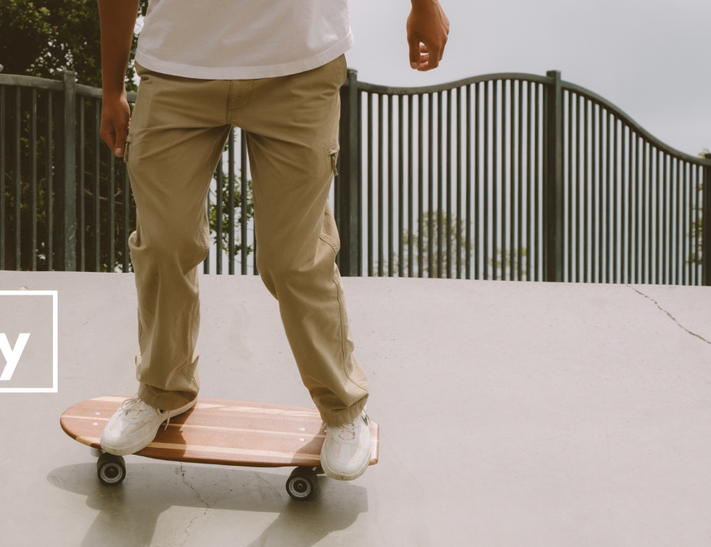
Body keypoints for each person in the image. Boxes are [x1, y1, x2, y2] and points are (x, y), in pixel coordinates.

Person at [94, 0, 450, 481]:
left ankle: (344, 410)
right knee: (163, 243)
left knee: (294, 259)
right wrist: (112, 87)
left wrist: (424, 5)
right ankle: (162, 392)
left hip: (299, 64)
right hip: (178, 66)